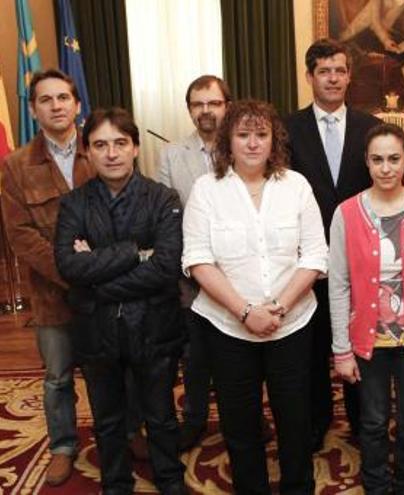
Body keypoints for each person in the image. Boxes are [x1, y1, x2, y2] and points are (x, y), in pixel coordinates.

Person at [183, 99, 328, 494]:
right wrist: (246, 311)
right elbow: (197, 260)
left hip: (292, 324)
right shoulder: (206, 190)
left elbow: (315, 255)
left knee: (295, 421)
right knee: (240, 424)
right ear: (228, 140)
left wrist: (278, 307)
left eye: (260, 134)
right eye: (243, 135)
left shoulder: (295, 185)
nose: (252, 143)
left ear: (273, 140)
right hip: (227, 328)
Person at [54, 107, 186, 494]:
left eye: (119, 143)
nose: (111, 153)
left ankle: (170, 480)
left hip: (154, 326)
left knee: (160, 416)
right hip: (97, 331)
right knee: (108, 419)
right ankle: (115, 483)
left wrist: (95, 273)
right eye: (100, 145)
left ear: (135, 148)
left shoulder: (163, 198)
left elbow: (165, 267)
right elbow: (68, 266)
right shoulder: (73, 204)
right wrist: (133, 252)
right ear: (88, 152)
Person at [329, 123, 404, 495]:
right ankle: (377, 485)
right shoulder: (346, 213)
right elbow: (338, 285)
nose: (385, 168)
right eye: (377, 160)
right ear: (366, 162)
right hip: (368, 342)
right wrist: (341, 349)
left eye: (393, 159)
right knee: (374, 422)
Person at [285, 38, 382, 451]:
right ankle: (315, 420)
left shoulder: (369, 127)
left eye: (340, 70)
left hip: (360, 257)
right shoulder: (287, 129)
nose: (333, 78)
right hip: (305, 259)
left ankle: (364, 423)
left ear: (349, 75)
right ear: (310, 77)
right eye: (324, 71)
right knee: (311, 347)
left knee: (360, 343)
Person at [0, 68, 94, 486]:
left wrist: (101, 272)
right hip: (52, 294)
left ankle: (128, 432)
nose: (56, 106)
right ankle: (62, 446)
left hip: (105, 291)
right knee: (58, 376)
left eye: (63, 98)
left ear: (77, 104)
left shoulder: (102, 148)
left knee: (111, 368)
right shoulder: (16, 166)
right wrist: (72, 274)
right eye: (46, 99)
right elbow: (21, 236)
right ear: (33, 108)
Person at [157, 74, 230, 451]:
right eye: (198, 104)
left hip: (238, 272)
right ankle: (195, 418)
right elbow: (168, 215)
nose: (206, 111)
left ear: (226, 106)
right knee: (196, 354)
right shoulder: (171, 155)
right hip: (191, 273)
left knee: (238, 352)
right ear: (189, 110)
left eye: (213, 103)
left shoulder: (242, 146)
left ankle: (243, 416)